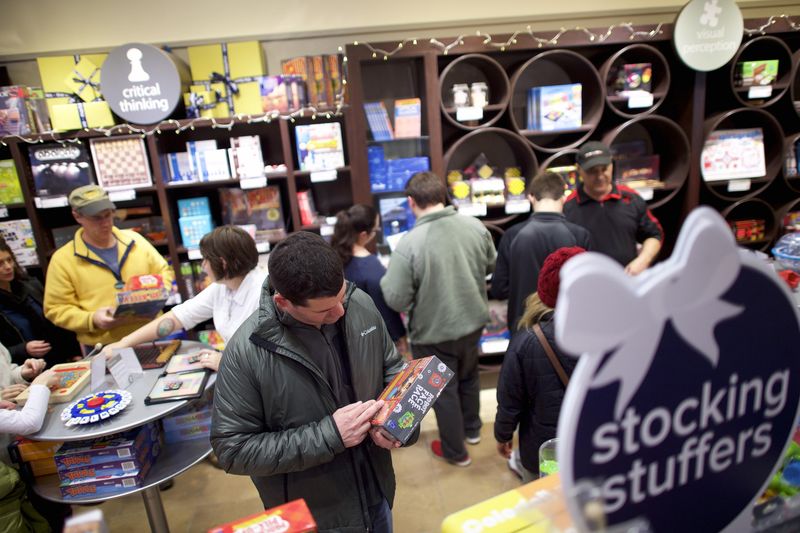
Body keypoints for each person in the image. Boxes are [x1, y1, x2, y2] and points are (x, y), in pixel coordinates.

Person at [211, 232, 415, 531]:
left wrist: (400, 423)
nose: (341, 311)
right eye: (324, 310)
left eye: (341, 296)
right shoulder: (247, 352)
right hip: (313, 514)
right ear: (283, 302)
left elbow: (394, 372)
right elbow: (232, 449)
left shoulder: (359, 304)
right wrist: (330, 435)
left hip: (377, 489)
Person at [381, 171, 496, 467]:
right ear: (443, 196)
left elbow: (395, 298)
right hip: (473, 321)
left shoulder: (409, 244)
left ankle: (455, 452)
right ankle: (472, 430)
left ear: (411, 202)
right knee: (469, 376)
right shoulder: (475, 227)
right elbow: (490, 264)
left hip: (433, 330)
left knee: (443, 391)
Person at [103, 226, 267, 371]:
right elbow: (177, 317)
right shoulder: (222, 287)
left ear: (222, 263)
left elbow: (268, 358)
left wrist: (225, 363)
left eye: (205, 259)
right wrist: (123, 343)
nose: (202, 266)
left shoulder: (262, 294)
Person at [494, 246, 586, 482]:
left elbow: (510, 399)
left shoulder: (527, 341)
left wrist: (503, 434)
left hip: (545, 448)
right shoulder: (609, 332)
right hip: (595, 441)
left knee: (545, 508)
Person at [43, 184, 174, 349]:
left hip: (150, 334)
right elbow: (55, 309)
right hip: (104, 345)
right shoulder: (62, 259)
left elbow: (163, 271)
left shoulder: (136, 241)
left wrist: (158, 294)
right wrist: (91, 319)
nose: (105, 223)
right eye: (96, 218)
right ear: (77, 216)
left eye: (108, 215)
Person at [489, 172, 591, 334]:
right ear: (563, 197)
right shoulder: (580, 235)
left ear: (531, 197)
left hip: (523, 328)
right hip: (567, 329)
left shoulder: (512, 235)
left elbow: (499, 289)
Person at [564, 141, 662, 275]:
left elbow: (654, 235)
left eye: (604, 169)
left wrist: (643, 260)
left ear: (611, 165)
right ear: (579, 170)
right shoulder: (567, 208)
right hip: (586, 287)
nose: (599, 176)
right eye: (592, 171)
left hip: (627, 284)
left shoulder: (631, 198)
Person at [0, 341, 64, 532]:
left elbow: (6, 367)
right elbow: (29, 422)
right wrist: (40, 384)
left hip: (21, 447)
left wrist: (20, 373)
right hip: (6, 466)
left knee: (51, 511)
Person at [331, 204, 408, 356]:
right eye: (376, 230)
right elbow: (385, 312)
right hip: (373, 341)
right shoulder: (371, 269)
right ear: (364, 235)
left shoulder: (334, 258)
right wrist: (399, 338)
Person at [0, 237, 81, 366]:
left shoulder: (31, 285)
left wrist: (74, 352)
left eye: (9, 260)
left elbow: (57, 320)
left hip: (58, 360)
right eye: (0, 264)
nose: (8, 267)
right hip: (24, 370)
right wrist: (22, 349)